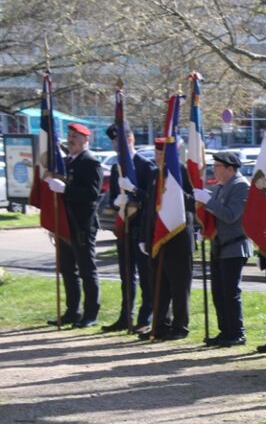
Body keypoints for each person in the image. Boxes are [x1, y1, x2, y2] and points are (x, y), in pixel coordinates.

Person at [46, 123, 103, 328]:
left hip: (81, 225)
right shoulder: (67, 161)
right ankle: (73, 311)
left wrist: (66, 190)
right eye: (69, 136)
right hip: (65, 223)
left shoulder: (90, 162)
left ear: (85, 139)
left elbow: (92, 193)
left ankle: (91, 314)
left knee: (87, 270)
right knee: (68, 269)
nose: (70, 140)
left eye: (75, 137)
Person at [193, 151, 252, 347]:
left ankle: (237, 332)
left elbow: (230, 215)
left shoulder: (241, 186)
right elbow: (214, 215)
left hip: (235, 246)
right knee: (218, 292)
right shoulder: (220, 187)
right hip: (219, 245)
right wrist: (205, 228)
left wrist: (208, 201)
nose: (214, 169)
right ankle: (225, 331)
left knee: (230, 292)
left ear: (230, 168)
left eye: (217, 166)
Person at [102, 123, 156, 333]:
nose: (116, 145)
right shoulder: (117, 167)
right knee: (126, 276)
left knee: (145, 276)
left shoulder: (145, 166)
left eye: (120, 141)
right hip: (123, 227)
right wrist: (117, 202)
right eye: (114, 141)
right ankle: (126, 317)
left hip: (141, 229)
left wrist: (133, 190)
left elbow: (150, 198)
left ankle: (145, 318)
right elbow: (112, 197)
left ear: (131, 139)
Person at [139, 140, 196, 341]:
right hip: (157, 238)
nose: (158, 157)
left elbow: (193, 202)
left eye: (162, 154)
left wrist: (176, 194)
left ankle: (180, 326)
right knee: (159, 286)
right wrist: (145, 237)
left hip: (178, 238)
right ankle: (160, 325)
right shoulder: (156, 173)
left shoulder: (181, 171)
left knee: (179, 286)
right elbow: (149, 208)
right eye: (156, 153)